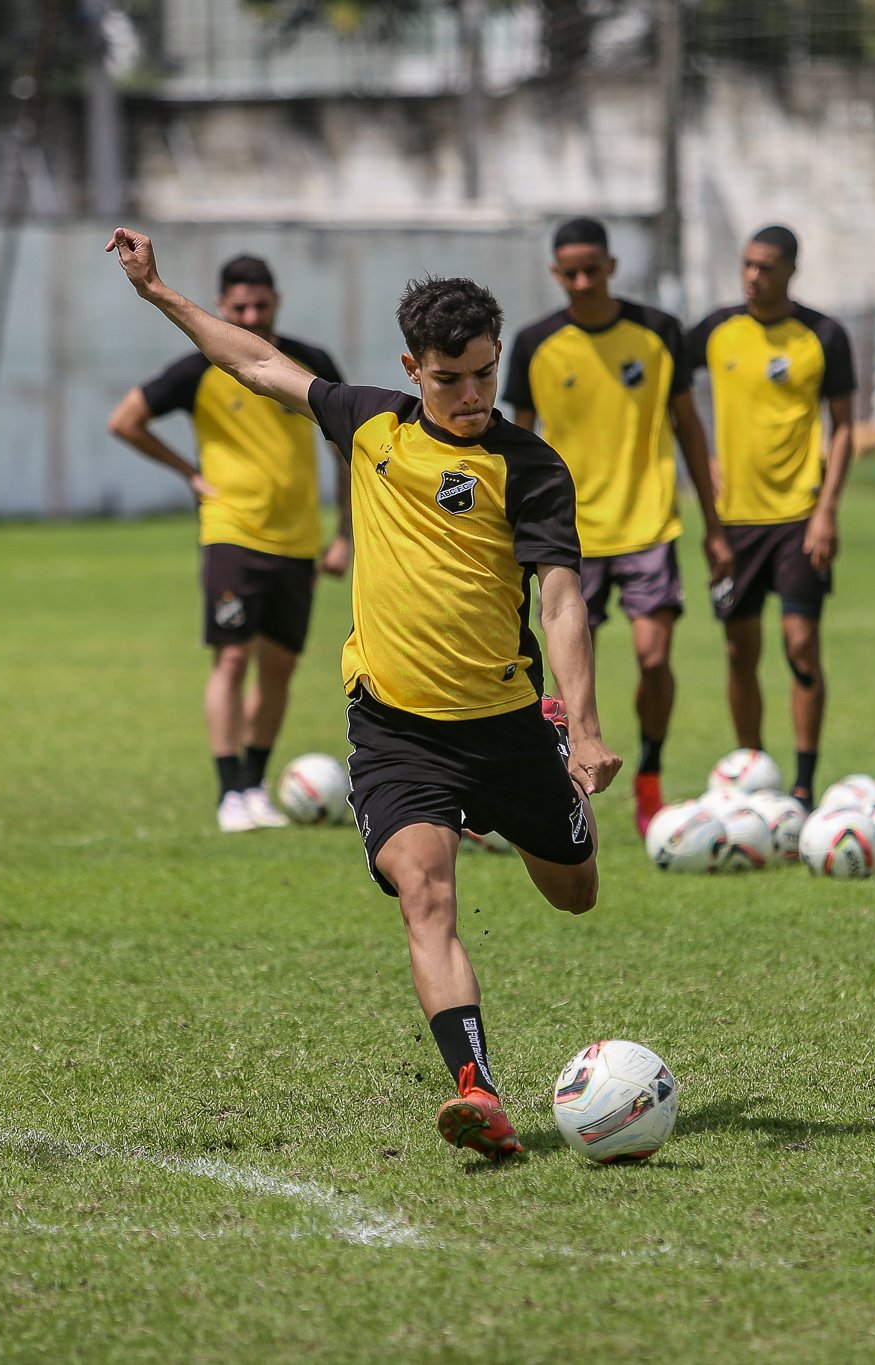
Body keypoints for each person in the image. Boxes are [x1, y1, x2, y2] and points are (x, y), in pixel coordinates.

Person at [106, 226, 623, 1160]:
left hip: (509, 725)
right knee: (425, 895)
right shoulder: (371, 422)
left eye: (484, 375)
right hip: (396, 730)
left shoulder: (531, 467)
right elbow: (259, 362)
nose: (472, 396)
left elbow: (561, 601)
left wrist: (581, 731)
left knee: (575, 894)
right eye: (451, 378)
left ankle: (537, 787)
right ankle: (478, 1090)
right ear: (411, 368)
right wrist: (159, 294)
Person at [107, 254, 351, 833]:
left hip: (299, 540)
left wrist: (345, 532)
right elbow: (126, 420)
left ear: (277, 302)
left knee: (280, 667)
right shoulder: (197, 370)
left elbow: (346, 447)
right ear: (220, 307)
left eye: (260, 305)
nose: (251, 315)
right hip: (231, 534)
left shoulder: (310, 363)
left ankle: (255, 785)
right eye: (239, 307)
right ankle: (229, 793)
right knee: (233, 657)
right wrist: (189, 473)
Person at [503, 217, 731, 835]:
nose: (581, 281)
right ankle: (562, 783)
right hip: (565, 532)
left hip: (649, 524)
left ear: (611, 267)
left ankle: (650, 777)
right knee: (567, 674)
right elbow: (516, 442)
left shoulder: (659, 332)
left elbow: (688, 425)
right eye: (569, 272)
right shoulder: (534, 342)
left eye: (591, 269)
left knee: (655, 660)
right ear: (556, 273)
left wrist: (713, 527)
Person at [686, 225, 856, 808]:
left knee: (801, 643)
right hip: (733, 520)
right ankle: (751, 776)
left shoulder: (823, 335)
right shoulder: (715, 330)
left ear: (790, 270)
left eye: (766, 267)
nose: (753, 277)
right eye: (747, 265)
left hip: (800, 516)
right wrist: (700, 455)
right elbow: (668, 389)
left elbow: (846, 426)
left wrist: (827, 511)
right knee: (739, 651)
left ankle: (805, 782)